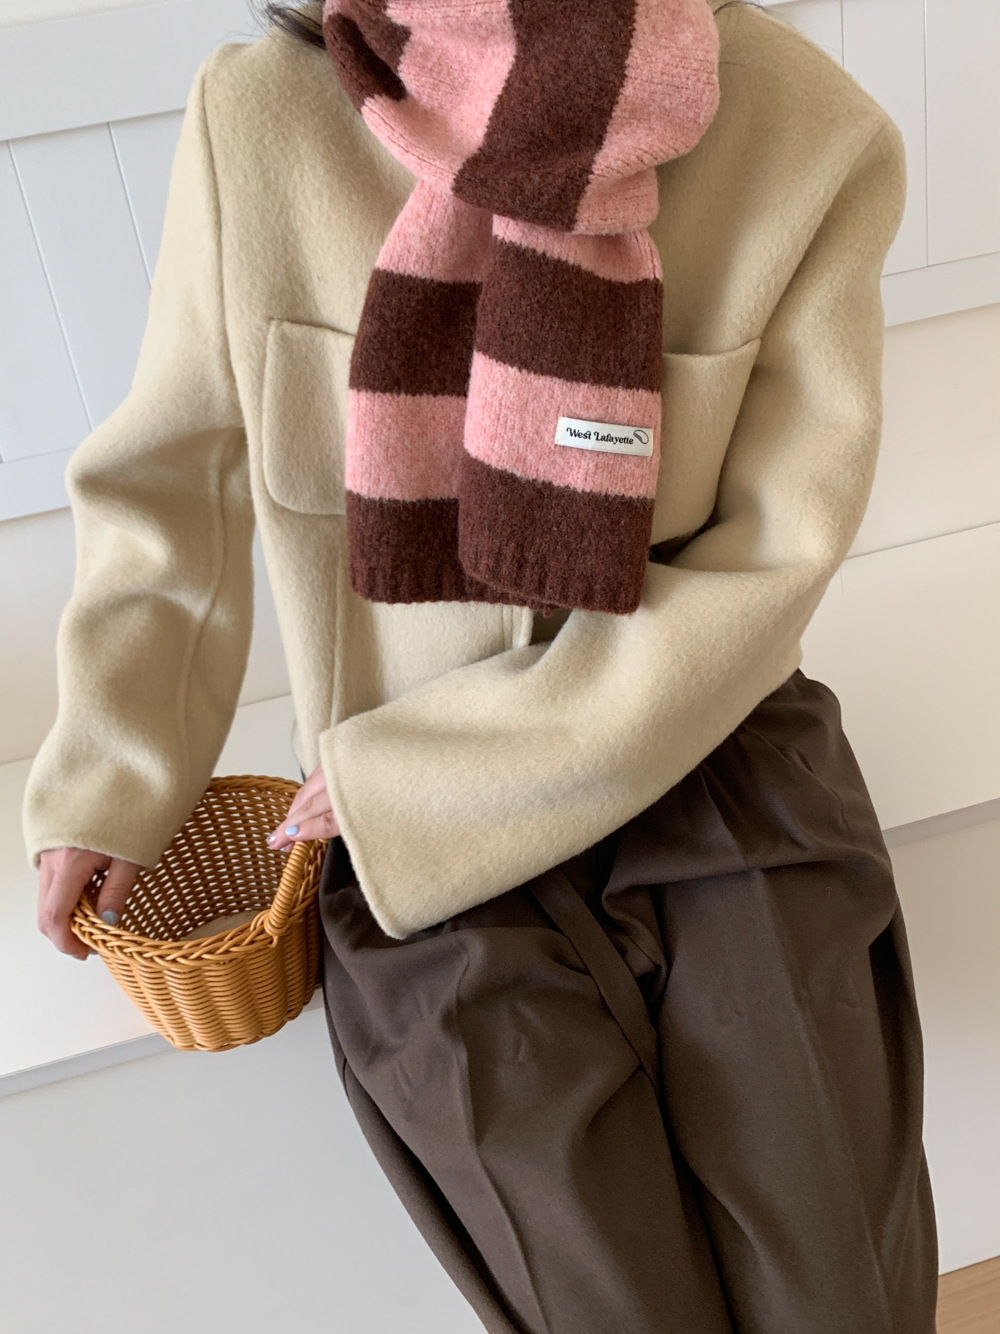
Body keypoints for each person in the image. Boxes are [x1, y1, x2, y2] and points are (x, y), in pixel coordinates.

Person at [25, 0, 939, 1328]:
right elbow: (170, 486)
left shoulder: (805, 128)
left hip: (717, 775)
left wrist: (435, 771)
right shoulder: (263, 121)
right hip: (420, 851)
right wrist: (110, 777)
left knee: (839, 1296)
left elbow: (773, 555)